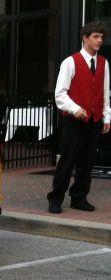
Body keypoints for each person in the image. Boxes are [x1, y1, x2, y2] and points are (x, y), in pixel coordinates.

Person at [48, 22, 111, 213]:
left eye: (101, 37)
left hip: (94, 120)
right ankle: (56, 198)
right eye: (95, 36)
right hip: (74, 121)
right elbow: (60, 94)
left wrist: (107, 117)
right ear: (85, 38)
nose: (99, 40)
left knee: (87, 162)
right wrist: (76, 109)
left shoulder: (104, 63)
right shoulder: (70, 62)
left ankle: (79, 198)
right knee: (67, 161)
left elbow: (104, 92)